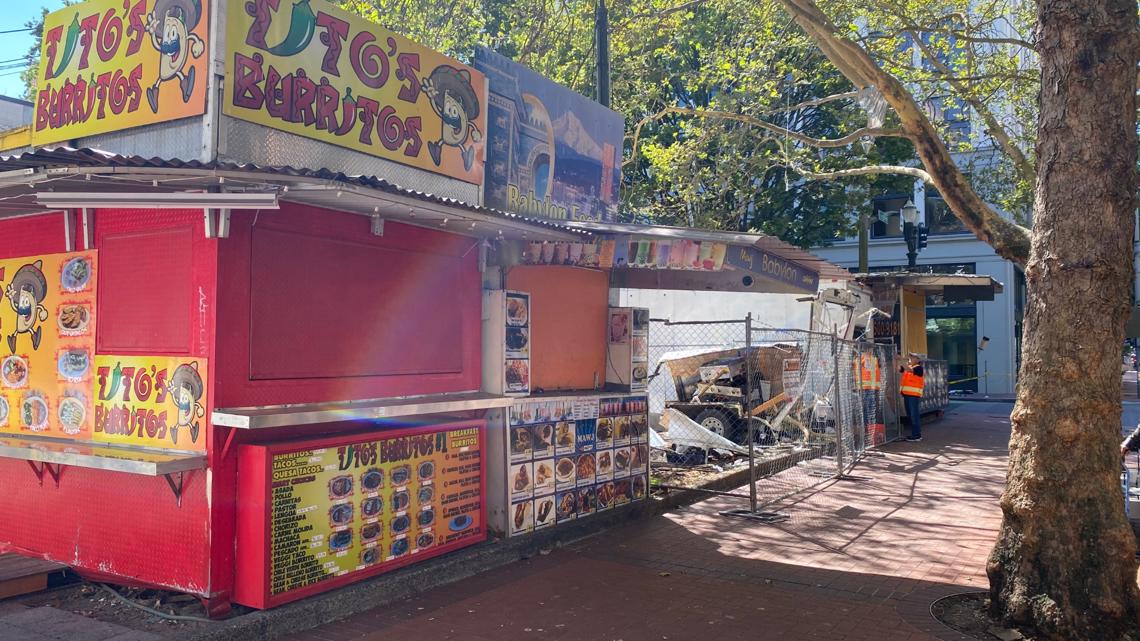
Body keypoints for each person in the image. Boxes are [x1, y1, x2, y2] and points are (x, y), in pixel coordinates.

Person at [852, 343, 882, 448]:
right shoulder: (873, 359)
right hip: (871, 388)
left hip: (865, 389)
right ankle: (869, 435)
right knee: (870, 412)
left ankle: (866, 435)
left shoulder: (860, 359)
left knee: (865, 411)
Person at [899, 353, 925, 442]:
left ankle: (917, 435)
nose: (910, 358)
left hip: (913, 395)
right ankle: (914, 434)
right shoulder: (909, 367)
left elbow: (907, 369)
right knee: (910, 415)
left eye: (913, 357)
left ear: (918, 360)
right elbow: (899, 369)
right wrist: (898, 360)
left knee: (914, 415)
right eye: (910, 357)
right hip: (907, 394)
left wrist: (901, 360)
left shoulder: (918, 368)